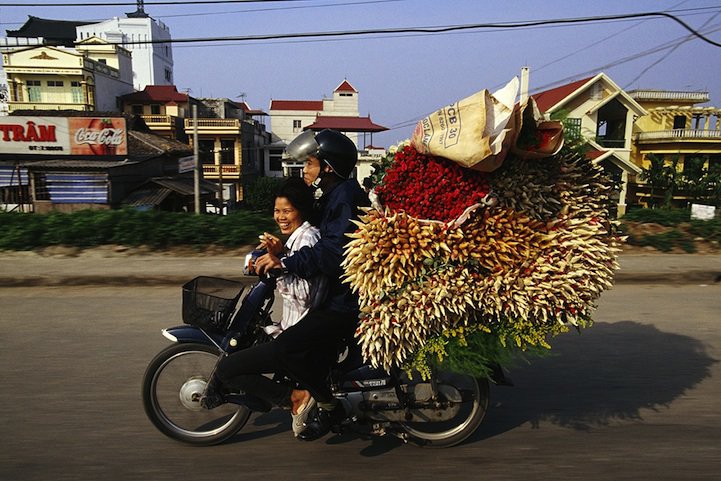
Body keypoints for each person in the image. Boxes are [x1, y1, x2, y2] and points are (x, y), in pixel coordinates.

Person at [202, 129, 369, 442]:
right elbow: (309, 231)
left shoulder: (344, 197)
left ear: (328, 168)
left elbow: (331, 253)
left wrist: (285, 263)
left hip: (341, 304)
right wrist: (281, 251)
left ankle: (326, 405)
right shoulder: (335, 196)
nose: (306, 170)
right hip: (333, 297)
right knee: (291, 345)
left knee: (286, 348)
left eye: (311, 164)